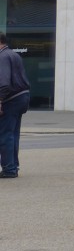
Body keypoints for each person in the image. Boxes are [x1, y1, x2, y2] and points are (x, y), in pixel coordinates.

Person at [0, 32, 32, 179]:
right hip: (22, 97)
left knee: (5, 134)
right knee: (13, 133)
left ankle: (9, 169)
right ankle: (13, 165)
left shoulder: (2, 57)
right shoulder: (13, 54)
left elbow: (4, 83)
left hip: (10, 99)